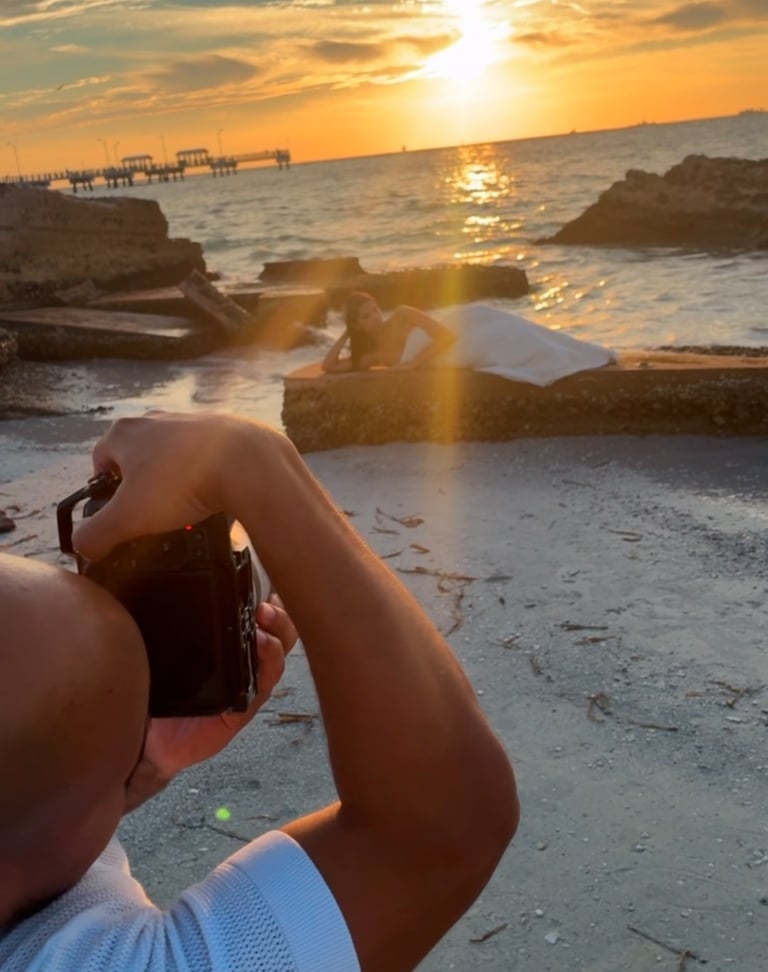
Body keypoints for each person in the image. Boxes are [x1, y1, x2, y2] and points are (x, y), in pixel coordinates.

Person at [0, 411, 519, 972]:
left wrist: (138, 770)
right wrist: (255, 463)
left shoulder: (29, 861)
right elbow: (445, 828)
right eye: (103, 773)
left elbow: (37, 827)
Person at [322, 291, 617, 387]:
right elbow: (329, 366)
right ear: (358, 325)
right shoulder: (372, 356)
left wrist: (413, 364)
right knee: (518, 351)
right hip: (455, 355)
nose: (375, 316)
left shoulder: (400, 315)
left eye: (375, 309)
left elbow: (446, 335)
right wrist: (347, 332)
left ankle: (586, 354)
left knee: (521, 337)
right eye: (366, 316)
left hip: (465, 329)